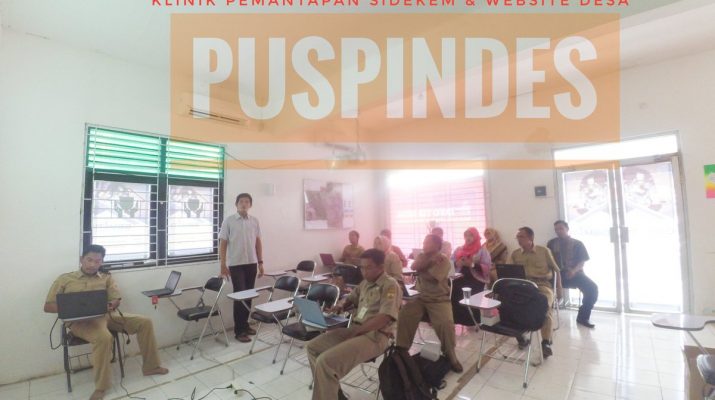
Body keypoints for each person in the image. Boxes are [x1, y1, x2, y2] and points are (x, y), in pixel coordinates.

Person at [44, 245, 168, 400]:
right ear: (81, 259)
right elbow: (48, 306)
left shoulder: (106, 277)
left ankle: (151, 367)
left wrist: (111, 304)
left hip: (106, 315)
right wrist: (73, 308)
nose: (92, 265)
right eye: (89, 260)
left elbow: (116, 299)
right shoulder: (65, 279)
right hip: (80, 322)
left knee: (145, 322)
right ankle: (101, 387)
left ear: (101, 262)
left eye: (97, 261)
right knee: (104, 337)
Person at [306, 249, 401, 400]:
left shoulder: (390, 285)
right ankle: (334, 393)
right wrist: (340, 306)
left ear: (381, 267)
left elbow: (384, 317)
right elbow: (350, 298)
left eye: (368, 267)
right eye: (362, 267)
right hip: (356, 329)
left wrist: (357, 332)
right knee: (312, 348)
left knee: (325, 362)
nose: (364, 272)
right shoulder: (365, 283)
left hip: (376, 336)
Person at [396, 234, 463, 373]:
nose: (424, 244)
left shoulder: (444, 260)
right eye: (424, 241)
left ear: (436, 245)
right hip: (421, 297)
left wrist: (421, 269)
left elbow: (432, 277)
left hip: (439, 299)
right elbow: (414, 266)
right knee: (404, 315)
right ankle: (402, 351)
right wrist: (429, 262)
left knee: (445, 323)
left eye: (427, 242)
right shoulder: (422, 256)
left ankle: (451, 355)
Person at [508, 227, 562, 358]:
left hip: (542, 286)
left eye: (521, 237)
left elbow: (556, 270)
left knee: (545, 308)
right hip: (523, 286)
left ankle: (546, 343)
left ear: (531, 238)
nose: (518, 240)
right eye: (517, 237)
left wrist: (559, 288)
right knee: (509, 306)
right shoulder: (515, 254)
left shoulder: (544, 251)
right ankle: (520, 336)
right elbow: (507, 271)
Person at [219, 193, 264, 343]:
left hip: (251, 263)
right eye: (241, 201)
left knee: (249, 295)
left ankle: (245, 324)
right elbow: (223, 243)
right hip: (236, 264)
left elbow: (258, 242)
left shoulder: (254, 221)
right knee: (240, 296)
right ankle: (239, 331)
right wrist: (222, 265)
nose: (244, 204)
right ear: (236, 204)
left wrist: (260, 262)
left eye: (247, 202)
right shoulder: (229, 221)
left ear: (250, 205)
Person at [547, 220, 599, 328]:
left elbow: (582, 261)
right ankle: (544, 316)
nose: (558, 231)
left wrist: (574, 271)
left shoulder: (577, 244)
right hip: (556, 275)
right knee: (539, 286)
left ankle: (583, 317)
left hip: (574, 274)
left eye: (561, 228)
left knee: (592, 289)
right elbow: (548, 260)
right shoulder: (551, 243)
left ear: (567, 229)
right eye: (556, 229)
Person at [451, 227, 491, 326]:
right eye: (466, 235)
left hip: (476, 279)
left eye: (471, 235)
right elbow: (450, 263)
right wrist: (456, 263)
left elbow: (487, 267)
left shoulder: (482, 250)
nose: (468, 238)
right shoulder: (459, 249)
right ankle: (458, 320)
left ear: (476, 237)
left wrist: (472, 264)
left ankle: (472, 322)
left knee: (471, 294)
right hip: (460, 277)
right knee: (454, 290)